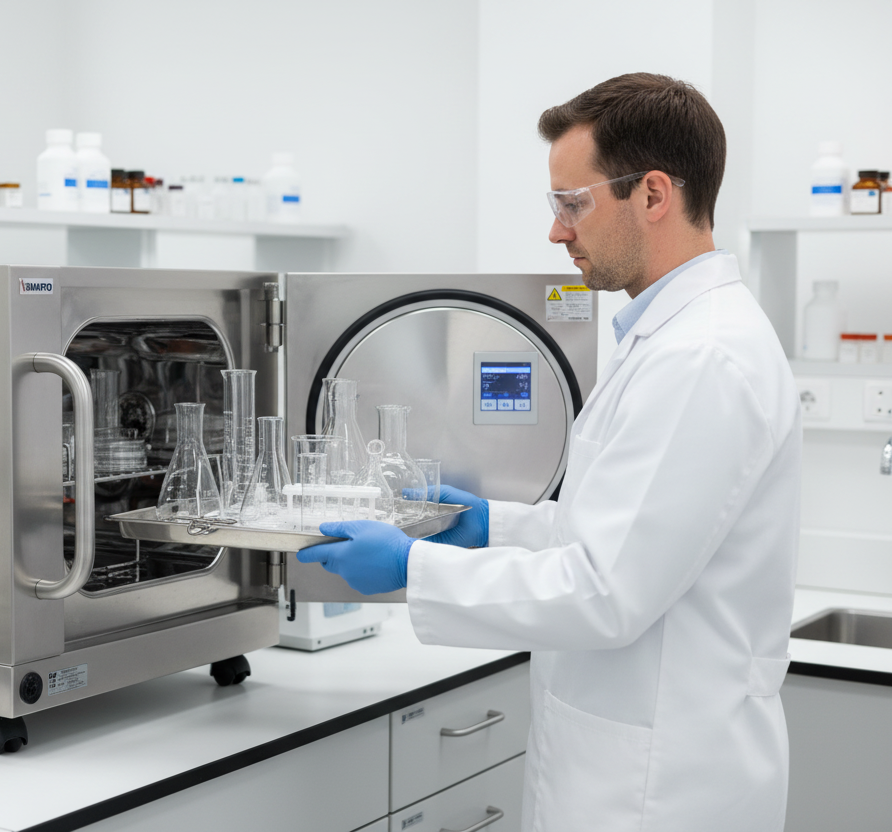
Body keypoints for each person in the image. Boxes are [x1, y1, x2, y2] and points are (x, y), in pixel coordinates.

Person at [299, 73, 801, 832]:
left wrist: (413, 570)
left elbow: (606, 592)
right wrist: (493, 526)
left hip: (662, 790)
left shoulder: (702, 358)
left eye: (573, 204)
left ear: (654, 195)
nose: (557, 232)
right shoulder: (669, 339)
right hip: (628, 762)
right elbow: (623, 533)